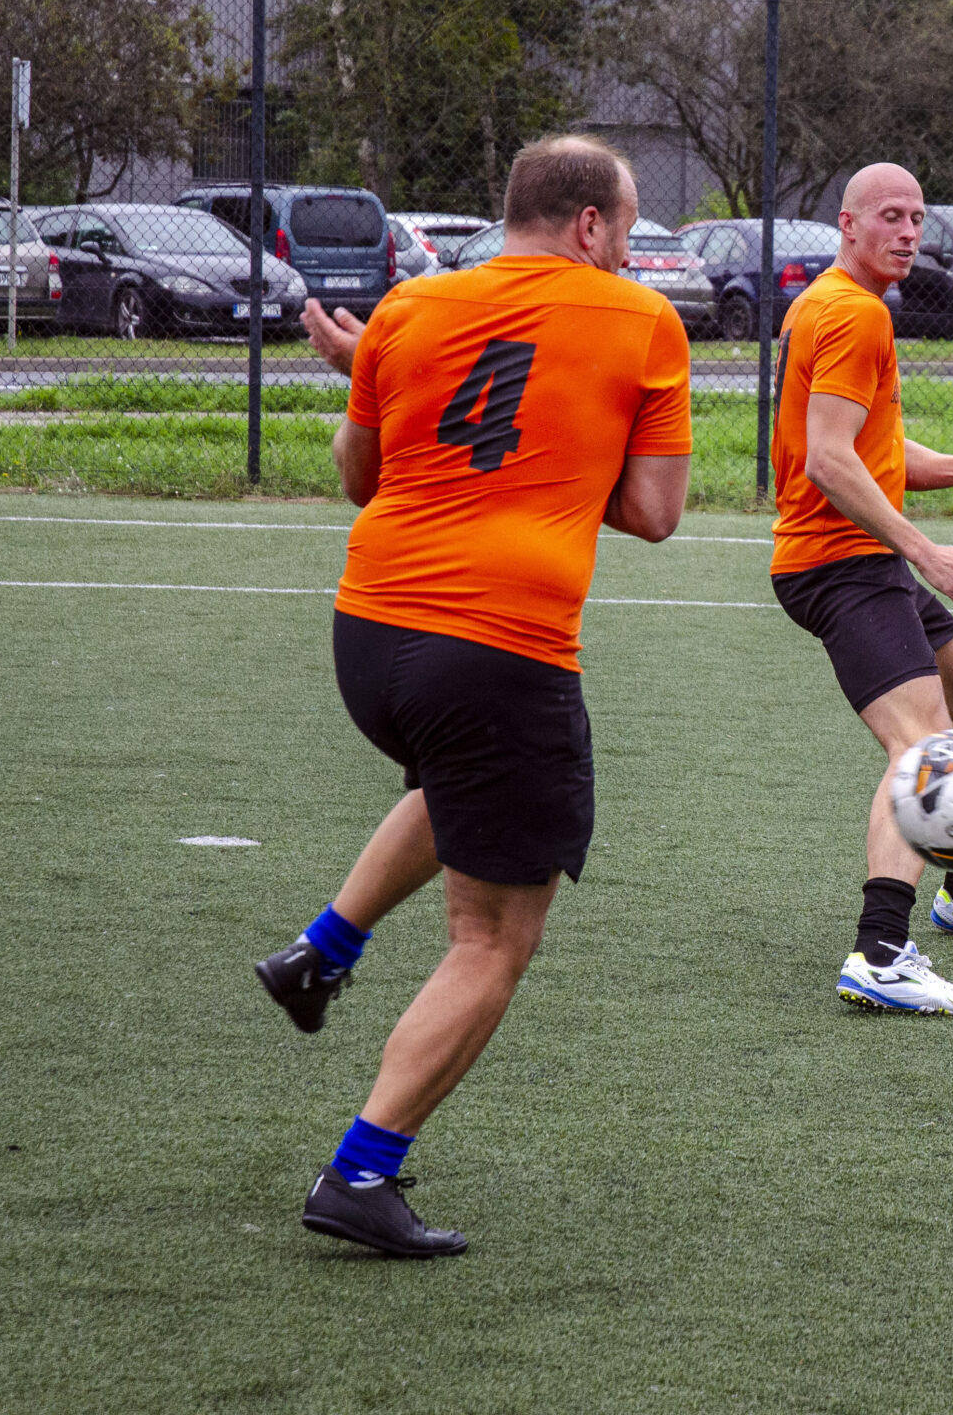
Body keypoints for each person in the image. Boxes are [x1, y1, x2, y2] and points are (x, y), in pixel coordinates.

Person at [250, 134, 692, 1257]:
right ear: (588, 224)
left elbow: (361, 476)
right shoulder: (643, 320)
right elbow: (654, 512)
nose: (629, 249)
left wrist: (391, 383)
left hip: (369, 636)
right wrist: (558, 455)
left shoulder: (409, 306)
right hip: (496, 648)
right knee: (491, 936)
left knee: (456, 785)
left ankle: (322, 950)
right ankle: (360, 1171)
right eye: (627, 227)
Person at [769, 161, 953, 1017]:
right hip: (838, 563)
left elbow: (869, 453)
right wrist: (927, 552)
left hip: (859, 556)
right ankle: (880, 954)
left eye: (917, 218)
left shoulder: (835, 303)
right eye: (890, 216)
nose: (908, 233)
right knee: (923, 752)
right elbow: (829, 463)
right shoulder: (853, 312)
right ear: (848, 225)